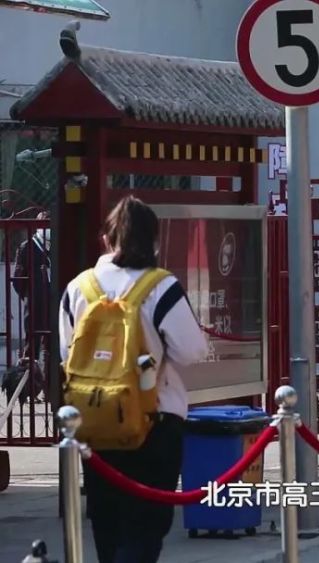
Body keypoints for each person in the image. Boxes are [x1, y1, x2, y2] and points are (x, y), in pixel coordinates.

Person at [58, 196, 208, 563]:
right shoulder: (161, 287)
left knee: (106, 521)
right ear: (154, 240)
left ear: (106, 239)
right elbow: (192, 352)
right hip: (155, 419)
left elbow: (67, 354)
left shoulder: (79, 288)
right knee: (146, 526)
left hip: (95, 421)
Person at [3, 212, 52, 404]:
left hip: (52, 304)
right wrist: (29, 295)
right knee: (31, 347)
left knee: (51, 347)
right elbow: (17, 279)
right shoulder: (27, 247)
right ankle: (27, 392)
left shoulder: (55, 246)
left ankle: (49, 390)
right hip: (34, 305)